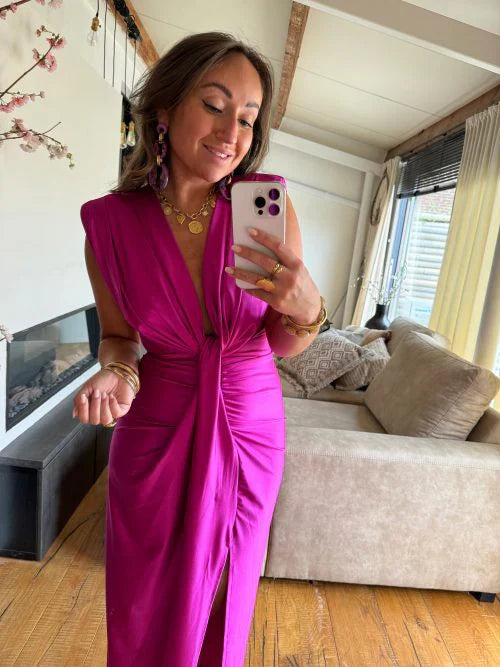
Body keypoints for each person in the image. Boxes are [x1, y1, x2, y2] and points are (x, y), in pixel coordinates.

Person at [74, 31, 327, 667]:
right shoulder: (110, 224)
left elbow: (284, 344)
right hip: (155, 428)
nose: (230, 133)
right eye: (214, 105)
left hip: (248, 424)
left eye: (247, 117)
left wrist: (308, 310)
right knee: (143, 598)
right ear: (164, 109)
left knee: (225, 596)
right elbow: (120, 337)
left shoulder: (263, 209)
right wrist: (116, 374)